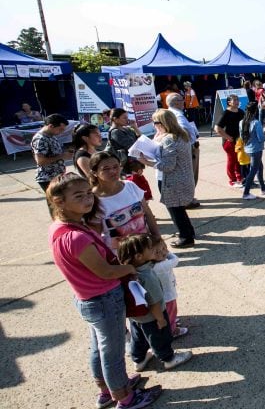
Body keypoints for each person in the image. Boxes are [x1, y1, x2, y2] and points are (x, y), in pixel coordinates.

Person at [47, 173, 162, 409]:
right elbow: (106, 272)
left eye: (88, 193)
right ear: (59, 201)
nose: (88, 199)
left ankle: (107, 390)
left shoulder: (60, 227)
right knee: (113, 352)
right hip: (104, 299)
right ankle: (125, 398)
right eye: (78, 196)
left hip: (88, 298)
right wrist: (131, 267)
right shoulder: (76, 237)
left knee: (100, 348)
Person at [117, 234, 193, 372]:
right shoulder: (147, 276)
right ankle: (169, 359)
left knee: (138, 338)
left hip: (136, 317)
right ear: (139, 256)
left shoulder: (128, 272)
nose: (153, 249)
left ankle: (139, 360)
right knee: (160, 338)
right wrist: (161, 319)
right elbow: (155, 301)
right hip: (153, 316)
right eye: (149, 248)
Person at [138, 110, 197, 249]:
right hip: (181, 178)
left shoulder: (170, 139)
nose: (154, 126)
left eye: (156, 123)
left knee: (175, 209)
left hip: (173, 180)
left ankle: (186, 237)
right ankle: (188, 232)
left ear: (164, 123)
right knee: (178, 209)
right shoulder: (179, 134)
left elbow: (168, 166)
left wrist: (146, 162)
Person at [90, 152, 161, 252]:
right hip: (120, 256)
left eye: (116, 167)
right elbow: (96, 235)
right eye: (106, 169)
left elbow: (148, 214)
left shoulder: (130, 186)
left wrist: (158, 238)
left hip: (147, 248)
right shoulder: (93, 200)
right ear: (94, 172)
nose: (113, 171)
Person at [167, 93, 200, 208]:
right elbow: (182, 129)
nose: (184, 102)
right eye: (181, 100)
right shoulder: (177, 115)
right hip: (188, 147)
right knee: (190, 175)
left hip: (187, 146)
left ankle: (188, 198)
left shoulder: (173, 113)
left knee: (188, 174)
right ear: (175, 102)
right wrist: (189, 140)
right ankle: (187, 200)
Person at [150, 237, 188, 338]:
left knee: (167, 313)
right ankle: (172, 330)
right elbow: (175, 260)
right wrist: (168, 253)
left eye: (163, 248)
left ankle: (171, 323)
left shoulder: (150, 266)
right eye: (157, 252)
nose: (162, 253)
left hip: (160, 297)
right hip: (168, 296)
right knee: (171, 311)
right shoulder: (162, 265)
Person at [31, 113, 72, 192]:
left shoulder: (51, 135)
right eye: (60, 129)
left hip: (57, 176)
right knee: (56, 203)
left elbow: (54, 153)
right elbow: (41, 161)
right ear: (51, 126)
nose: (62, 132)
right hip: (48, 178)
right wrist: (62, 156)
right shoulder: (40, 139)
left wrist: (66, 154)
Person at [240, 102, 265, 200]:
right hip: (256, 149)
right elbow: (261, 138)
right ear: (255, 111)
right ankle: (246, 193)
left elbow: (242, 137)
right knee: (253, 170)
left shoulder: (242, 122)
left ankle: (263, 188)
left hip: (248, 148)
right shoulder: (256, 122)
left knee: (259, 167)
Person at [214, 94, 245, 188]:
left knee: (239, 159)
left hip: (239, 140)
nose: (237, 101)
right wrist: (227, 137)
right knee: (232, 160)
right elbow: (217, 128)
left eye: (237, 99)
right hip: (229, 142)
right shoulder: (226, 113)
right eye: (234, 100)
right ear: (229, 102)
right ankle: (232, 180)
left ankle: (240, 177)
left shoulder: (240, 111)